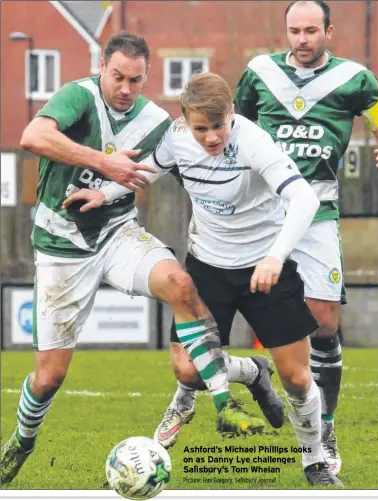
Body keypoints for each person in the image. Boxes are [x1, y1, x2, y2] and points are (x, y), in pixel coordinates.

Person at [0, 34, 266, 488]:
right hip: (61, 248)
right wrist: (104, 163)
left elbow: (200, 163)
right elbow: (33, 136)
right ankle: (20, 444)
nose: (125, 88)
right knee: (49, 378)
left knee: (181, 285)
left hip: (119, 235)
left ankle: (224, 402)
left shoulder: (157, 122)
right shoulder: (77, 98)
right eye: (118, 77)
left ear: (147, 78)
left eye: (136, 80)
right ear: (101, 66)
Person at [62, 71, 344, 486]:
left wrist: (274, 256)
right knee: (188, 372)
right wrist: (104, 193)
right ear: (185, 122)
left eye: (219, 125)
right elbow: (147, 172)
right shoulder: (175, 139)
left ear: (231, 113)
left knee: (299, 379)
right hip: (207, 266)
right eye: (201, 128)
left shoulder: (253, 141)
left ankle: (314, 461)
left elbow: (302, 198)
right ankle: (251, 372)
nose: (212, 137)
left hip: (265, 267)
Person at [157, 0, 378, 476]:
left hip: (315, 207)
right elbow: (228, 124)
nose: (302, 39)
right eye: (294, 30)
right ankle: (190, 390)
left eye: (311, 31)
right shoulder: (259, 71)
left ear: (329, 31)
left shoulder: (354, 78)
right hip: (260, 210)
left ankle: (323, 427)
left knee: (323, 323)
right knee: (202, 338)